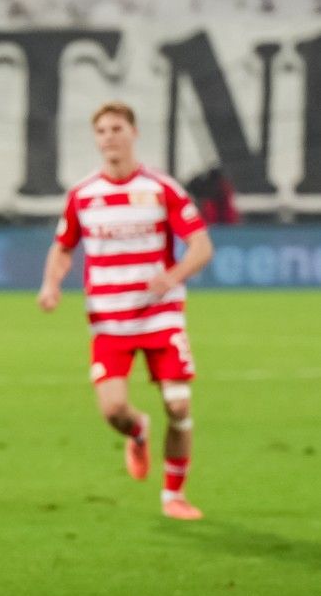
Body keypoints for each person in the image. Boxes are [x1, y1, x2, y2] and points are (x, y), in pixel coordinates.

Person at [39, 100, 215, 520]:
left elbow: (201, 245)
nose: (109, 138)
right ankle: (138, 431)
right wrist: (50, 284)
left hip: (160, 317)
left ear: (133, 133)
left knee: (178, 405)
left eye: (117, 129)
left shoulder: (162, 189)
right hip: (109, 321)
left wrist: (173, 276)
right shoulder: (83, 195)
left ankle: (173, 496)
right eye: (101, 131)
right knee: (113, 410)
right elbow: (63, 247)